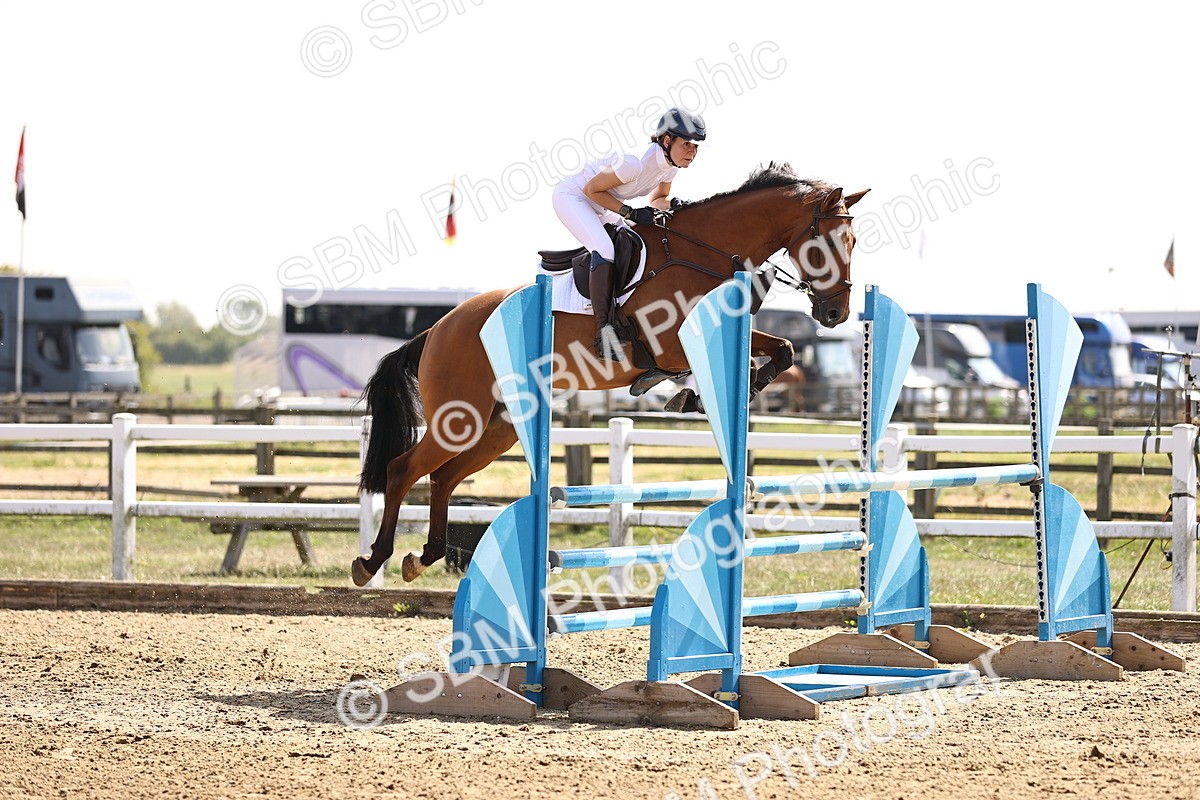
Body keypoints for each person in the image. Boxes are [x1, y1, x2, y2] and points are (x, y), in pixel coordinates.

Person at [552, 107, 706, 361]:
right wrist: (630, 213)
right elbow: (592, 190)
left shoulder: (670, 166)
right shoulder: (633, 162)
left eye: (696, 147)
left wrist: (678, 207)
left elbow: (658, 199)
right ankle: (603, 331)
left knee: (639, 241)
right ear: (667, 141)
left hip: (603, 204)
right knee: (604, 248)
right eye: (687, 144)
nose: (692, 152)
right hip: (575, 198)